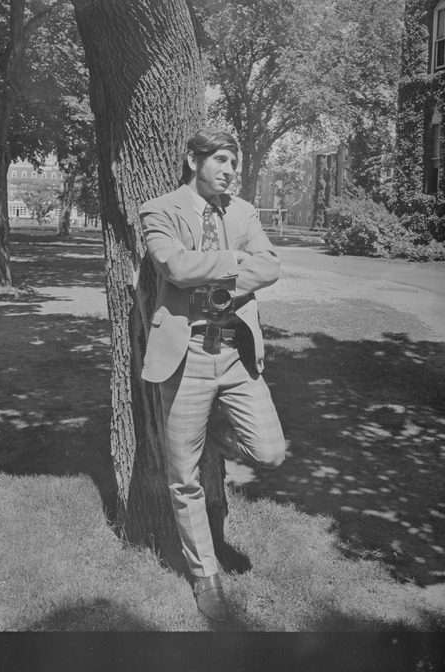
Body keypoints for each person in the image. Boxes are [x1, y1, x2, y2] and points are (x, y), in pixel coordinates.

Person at [138, 126, 286, 622]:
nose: (229, 172)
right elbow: (174, 267)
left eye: (234, 164)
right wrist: (233, 261)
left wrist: (221, 274)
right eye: (221, 160)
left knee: (270, 451)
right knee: (183, 478)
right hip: (186, 357)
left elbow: (269, 266)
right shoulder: (159, 210)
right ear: (192, 159)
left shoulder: (242, 211)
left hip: (236, 354)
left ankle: (218, 432)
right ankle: (205, 576)